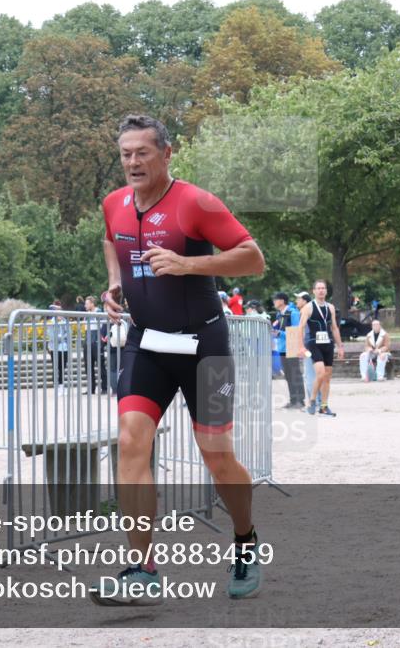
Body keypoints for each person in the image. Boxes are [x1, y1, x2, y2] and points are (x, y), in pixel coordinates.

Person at [96, 114, 266, 603]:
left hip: (204, 346)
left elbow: (253, 258)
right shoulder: (114, 203)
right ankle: (143, 568)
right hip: (146, 342)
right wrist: (115, 283)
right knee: (131, 441)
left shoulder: (195, 202)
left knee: (216, 455)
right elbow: (111, 238)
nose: (133, 162)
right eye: (126, 154)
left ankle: (245, 539)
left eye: (142, 153)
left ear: (166, 154)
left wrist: (189, 263)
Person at [300, 279, 345, 416]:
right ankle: (312, 401)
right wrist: (301, 346)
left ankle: (324, 406)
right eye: (318, 288)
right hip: (314, 343)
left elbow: (334, 328)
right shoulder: (308, 307)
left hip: (328, 343)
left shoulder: (330, 307)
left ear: (326, 291)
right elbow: (300, 328)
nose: (321, 290)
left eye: (323, 288)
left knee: (327, 377)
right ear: (314, 291)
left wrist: (340, 346)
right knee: (320, 374)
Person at [272, 292, 305, 409]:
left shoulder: (293, 313)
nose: (274, 302)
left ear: (282, 301)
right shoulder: (279, 314)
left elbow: (296, 332)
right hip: (282, 347)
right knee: (288, 375)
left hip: (292, 346)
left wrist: (279, 333)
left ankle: (300, 400)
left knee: (295, 374)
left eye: (275, 299)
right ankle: (293, 400)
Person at [83, 295, 107, 394]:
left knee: (101, 366)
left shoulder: (99, 312)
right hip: (88, 342)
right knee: (88, 366)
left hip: (96, 342)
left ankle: (104, 388)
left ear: (92, 304)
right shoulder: (86, 314)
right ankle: (91, 388)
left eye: (87, 304)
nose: (85, 306)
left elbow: (102, 327)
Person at [295, 291, 315, 400]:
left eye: (298, 299)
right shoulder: (313, 309)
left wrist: (301, 347)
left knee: (309, 374)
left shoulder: (304, 311)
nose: (296, 301)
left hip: (308, 345)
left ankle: (313, 401)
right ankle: (315, 400)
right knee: (313, 374)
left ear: (304, 301)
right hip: (313, 344)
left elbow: (303, 331)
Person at [47, 304, 70, 390]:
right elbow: (52, 336)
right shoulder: (51, 322)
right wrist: (62, 337)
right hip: (54, 347)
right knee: (55, 367)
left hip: (64, 347)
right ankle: (56, 384)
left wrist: (61, 337)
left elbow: (69, 332)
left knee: (63, 367)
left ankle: (61, 385)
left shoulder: (65, 321)